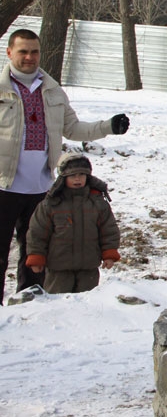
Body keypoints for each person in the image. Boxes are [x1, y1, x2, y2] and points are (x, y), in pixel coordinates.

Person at [0, 28, 129, 304]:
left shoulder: (51, 88)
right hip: (3, 185)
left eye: (34, 51)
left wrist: (108, 126)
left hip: (41, 187)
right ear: (9, 52)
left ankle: (29, 305)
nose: (29, 57)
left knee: (36, 253)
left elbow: (72, 127)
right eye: (22, 51)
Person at [25, 152, 120, 294]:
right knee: (57, 305)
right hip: (58, 268)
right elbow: (37, 233)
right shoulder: (51, 204)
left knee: (87, 303)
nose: (77, 179)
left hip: (88, 268)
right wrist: (36, 257)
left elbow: (109, 230)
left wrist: (109, 254)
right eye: (72, 175)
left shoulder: (98, 203)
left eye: (82, 175)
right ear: (63, 177)